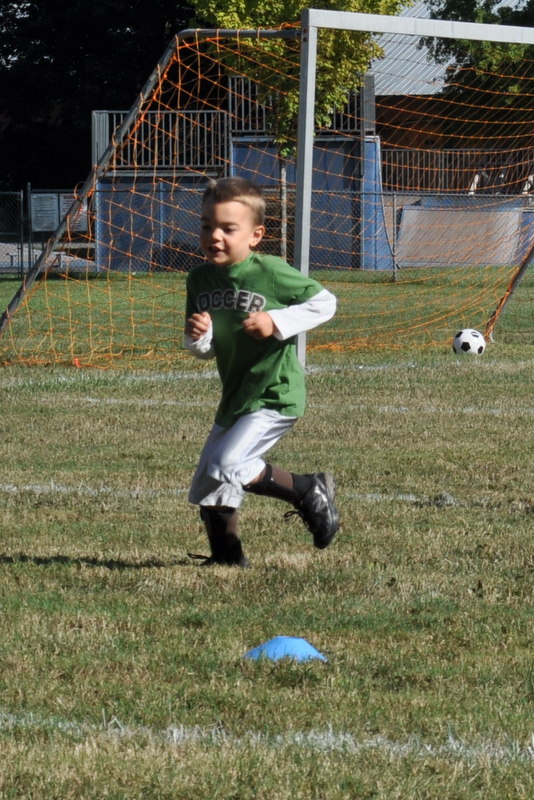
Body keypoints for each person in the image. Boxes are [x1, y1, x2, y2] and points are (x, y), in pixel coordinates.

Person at [184, 176, 339, 567]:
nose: (214, 236)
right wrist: (199, 337)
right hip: (237, 396)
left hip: (275, 392)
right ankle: (227, 559)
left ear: (255, 235)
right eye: (206, 226)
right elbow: (203, 349)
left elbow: (325, 303)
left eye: (227, 228)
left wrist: (276, 321)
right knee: (209, 479)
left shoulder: (269, 270)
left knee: (227, 465)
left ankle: (307, 489)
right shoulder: (199, 279)